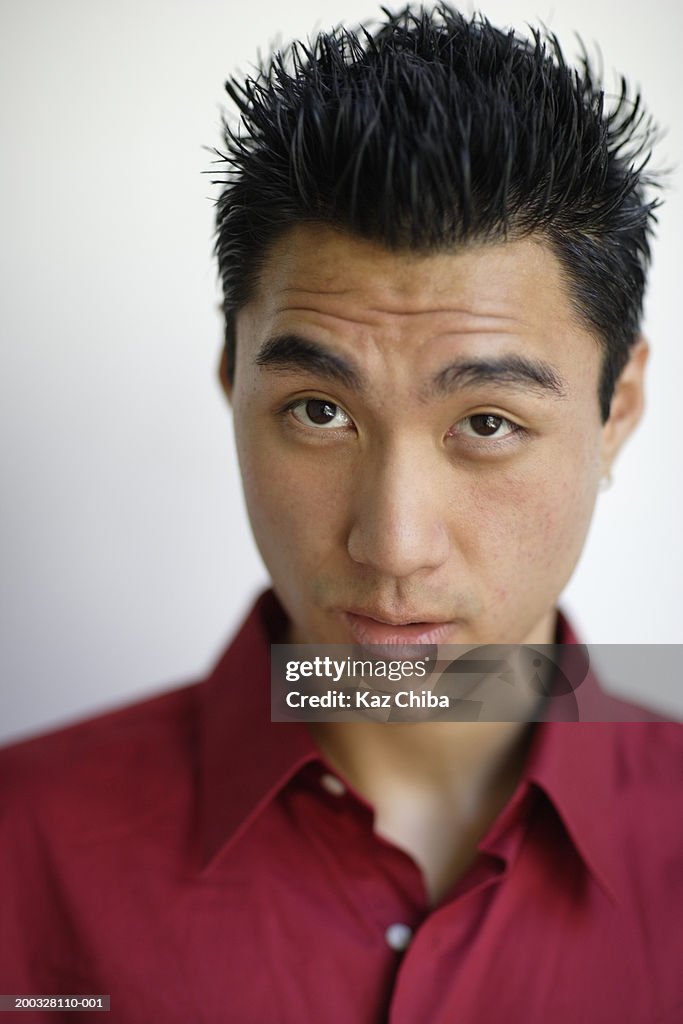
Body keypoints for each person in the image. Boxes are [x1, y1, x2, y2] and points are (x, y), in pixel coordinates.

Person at [1, 5, 681, 1022]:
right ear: (233, 381)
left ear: (613, 409)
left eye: (486, 421)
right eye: (319, 412)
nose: (392, 544)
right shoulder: (23, 848)